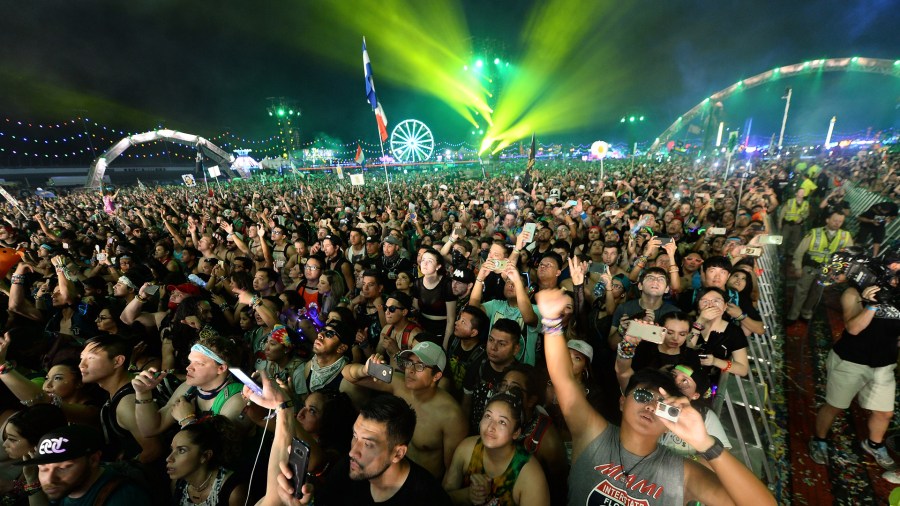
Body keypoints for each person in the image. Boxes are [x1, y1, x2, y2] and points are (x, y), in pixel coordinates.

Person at [536, 287, 775, 505]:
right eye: (641, 395)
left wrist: (706, 445)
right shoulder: (592, 435)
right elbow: (564, 380)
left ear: (671, 422)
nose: (651, 405)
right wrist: (550, 321)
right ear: (622, 401)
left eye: (662, 403)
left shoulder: (683, 473)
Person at [809, 266, 900, 478]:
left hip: (883, 365)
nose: (895, 281)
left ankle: (873, 444)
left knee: (884, 412)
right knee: (835, 405)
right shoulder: (854, 293)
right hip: (851, 361)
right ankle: (819, 439)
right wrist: (872, 305)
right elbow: (854, 329)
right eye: (894, 276)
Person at [342, 342, 468, 479]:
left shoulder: (451, 416)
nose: (410, 370)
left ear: (436, 376)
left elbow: (452, 471)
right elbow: (347, 374)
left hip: (421, 486)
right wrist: (365, 370)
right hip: (391, 472)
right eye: (409, 363)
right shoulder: (399, 384)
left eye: (419, 366)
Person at [313, 395, 452, 505]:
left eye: (368, 444)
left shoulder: (428, 498)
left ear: (398, 454)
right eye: (355, 436)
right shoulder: (348, 468)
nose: (352, 452)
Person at [442, 389, 550, 506]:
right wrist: (466, 495)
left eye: (502, 422)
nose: (491, 427)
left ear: (516, 433)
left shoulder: (530, 475)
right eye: (488, 416)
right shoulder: (467, 449)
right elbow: (438, 497)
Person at [22, 424, 151, 505]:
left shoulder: (122, 498)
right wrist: (31, 479)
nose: (50, 479)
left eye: (63, 468)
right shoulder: (65, 487)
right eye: (43, 469)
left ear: (93, 460)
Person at [787, 208, 853, 323]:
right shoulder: (814, 232)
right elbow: (800, 251)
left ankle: (806, 311)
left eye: (840, 221)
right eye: (835, 220)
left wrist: (838, 271)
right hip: (810, 267)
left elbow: (848, 257)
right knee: (801, 291)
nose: (837, 223)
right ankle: (793, 315)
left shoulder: (846, 236)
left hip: (827, 270)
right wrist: (797, 267)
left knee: (816, 292)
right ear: (827, 220)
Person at [167, 416, 249, 506]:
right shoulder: (177, 485)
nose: (169, 458)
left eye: (181, 450)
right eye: (172, 450)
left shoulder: (234, 492)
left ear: (205, 456)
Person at [461, 318, 521, 433]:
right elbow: (466, 405)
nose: (493, 347)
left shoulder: (518, 378)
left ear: (516, 349)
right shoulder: (477, 366)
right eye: (491, 340)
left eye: (502, 344)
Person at [1, 404, 67, 505]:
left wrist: (31, 480)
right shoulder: (30, 464)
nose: (5, 444)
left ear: (39, 442)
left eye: (12, 439)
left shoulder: (58, 475)